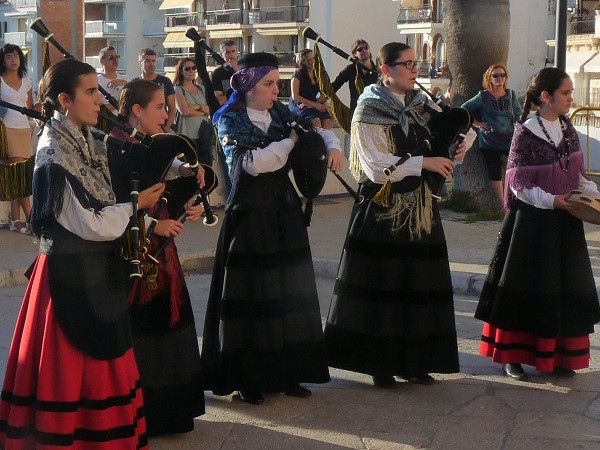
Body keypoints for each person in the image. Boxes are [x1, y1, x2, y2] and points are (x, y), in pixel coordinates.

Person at [0, 58, 166, 449]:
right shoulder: (54, 151)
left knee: (103, 359)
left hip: (95, 270)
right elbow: (87, 222)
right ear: (64, 99)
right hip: (68, 275)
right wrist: (135, 207)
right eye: (90, 92)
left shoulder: (85, 138)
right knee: (72, 366)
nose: (100, 100)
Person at [324, 42, 469, 388]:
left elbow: (436, 145)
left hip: (420, 207)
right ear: (386, 70)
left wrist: (454, 150)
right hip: (383, 208)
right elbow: (374, 167)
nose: (415, 69)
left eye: (416, 63)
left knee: (418, 283)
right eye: (407, 64)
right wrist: (426, 163)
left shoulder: (421, 105)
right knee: (383, 284)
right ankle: (380, 363)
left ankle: (416, 361)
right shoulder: (368, 109)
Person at [202, 52, 342, 405]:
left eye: (277, 82)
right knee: (252, 294)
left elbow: (315, 120)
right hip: (249, 215)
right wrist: (292, 141)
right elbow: (253, 164)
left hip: (284, 211)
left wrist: (332, 144)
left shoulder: (281, 112)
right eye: (269, 84)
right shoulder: (227, 119)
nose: (276, 89)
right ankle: (248, 378)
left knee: (288, 291)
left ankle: (289, 372)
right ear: (248, 86)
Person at [474, 67, 600, 381]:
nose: (572, 99)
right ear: (546, 97)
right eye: (567, 93)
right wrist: (551, 200)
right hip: (530, 223)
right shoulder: (526, 132)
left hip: (564, 224)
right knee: (523, 288)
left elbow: (578, 176)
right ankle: (512, 357)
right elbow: (517, 184)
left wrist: (592, 195)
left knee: (562, 288)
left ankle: (558, 356)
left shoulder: (569, 128)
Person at [111, 78, 206, 435]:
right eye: (160, 108)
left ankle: (171, 410)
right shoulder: (115, 146)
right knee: (142, 330)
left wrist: (187, 187)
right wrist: (153, 225)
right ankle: (145, 413)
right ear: (137, 111)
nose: (167, 115)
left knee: (167, 323)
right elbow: (113, 201)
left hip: (159, 252)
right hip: (131, 253)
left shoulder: (141, 142)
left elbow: (160, 170)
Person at [462, 64, 522, 208]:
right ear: (489, 78)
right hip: (489, 141)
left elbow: (519, 113)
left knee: (515, 168)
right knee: (494, 172)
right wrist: (476, 123)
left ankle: (517, 198)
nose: (499, 78)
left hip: (509, 140)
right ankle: (504, 204)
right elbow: (464, 108)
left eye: (502, 75)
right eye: (496, 75)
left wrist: (517, 125)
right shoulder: (483, 96)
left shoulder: (511, 95)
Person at [0, 43, 34, 235]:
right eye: (9, 56)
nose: (13, 60)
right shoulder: (0, 81)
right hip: (7, 130)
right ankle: (29, 217)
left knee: (18, 176)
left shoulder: (27, 82)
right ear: (3, 60)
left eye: (16, 56)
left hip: (23, 129)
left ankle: (16, 220)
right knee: (18, 173)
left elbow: (29, 108)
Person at [331, 39, 378, 158]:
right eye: (360, 49)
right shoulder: (351, 70)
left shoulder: (377, 72)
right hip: (356, 115)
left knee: (372, 152)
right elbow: (334, 87)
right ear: (354, 54)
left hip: (374, 116)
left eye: (366, 48)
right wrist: (315, 103)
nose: (364, 51)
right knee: (350, 153)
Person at [174, 57, 212, 166]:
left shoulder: (201, 89)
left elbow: (210, 109)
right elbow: (184, 111)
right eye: (187, 68)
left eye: (193, 68)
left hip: (203, 135)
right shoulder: (178, 89)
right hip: (187, 136)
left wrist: (196, 107)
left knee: (206, 167)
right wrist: (203, 110)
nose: (191, 71)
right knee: (190, 168)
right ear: (181, 71)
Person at [289, 48, 332, 129]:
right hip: (299, 104)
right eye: (309, 59)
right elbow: (295, 96)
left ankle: (326, 141)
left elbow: (325, 93)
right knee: (316, 122)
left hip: (314, 102)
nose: (313, 61)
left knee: (327, 121)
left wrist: (318, 103)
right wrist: (314, 104)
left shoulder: (318, 74)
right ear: (303, 61)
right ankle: (317, 141)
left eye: (314, 58)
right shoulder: (298, 75)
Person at [138, 48, 176, 131]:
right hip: (142, 128)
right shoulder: (136, 84)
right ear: (140, 63)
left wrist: (165, 129)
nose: (151, 64)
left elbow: (172, 109)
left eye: (153, 61)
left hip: (162, 127)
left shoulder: (165, 81)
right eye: (147, 61)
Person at [97, 45, 127, 115]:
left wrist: (125, 84)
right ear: (102, 61)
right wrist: (120, 102)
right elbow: (99, 109)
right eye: (111, 58)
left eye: (117, 57)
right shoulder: (96, 81)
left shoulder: (125, 79)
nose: (115, 60)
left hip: (123, 123)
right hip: (106, 123)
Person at [210, 40, 238, 105]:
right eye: (227, 52)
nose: (231, 55)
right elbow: (220, 100)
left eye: (233, 51)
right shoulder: (216, 74)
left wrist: (236, 70)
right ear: (221, 55)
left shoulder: (243, 69)